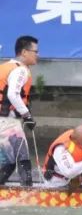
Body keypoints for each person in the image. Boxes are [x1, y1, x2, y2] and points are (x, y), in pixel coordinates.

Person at [0, 35, 39, 186]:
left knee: (9, 162)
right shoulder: (20, 70)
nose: (38, 55)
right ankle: (27, 194)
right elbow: (12, 94)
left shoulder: (4, 67)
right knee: (22, 159)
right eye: (35, 51)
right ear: (24, 52)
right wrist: (27, 116)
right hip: (7, 122)